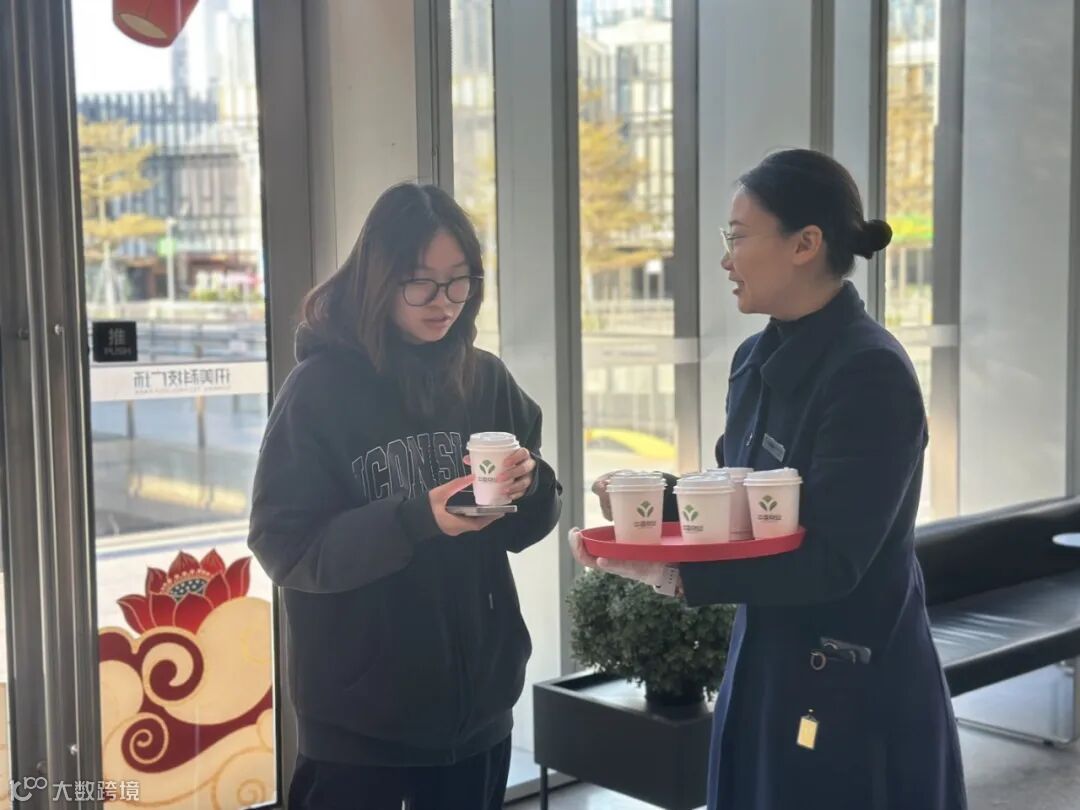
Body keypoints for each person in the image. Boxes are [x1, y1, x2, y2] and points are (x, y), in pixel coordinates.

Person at [572, 149, 967, 809]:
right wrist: (654, 500)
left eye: (738, 237)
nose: (726, 260)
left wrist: (675, 575)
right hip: (765, 664)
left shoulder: (871, 373)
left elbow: (833, 560)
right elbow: (743, 500)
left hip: (850, 682)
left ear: (805, 244)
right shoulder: (754, 359)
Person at [248, 183, 562, 809]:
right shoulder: (319, 391)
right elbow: (285, 546)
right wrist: (418, 519)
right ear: (378, 278)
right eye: (421, 283)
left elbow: (528, 522)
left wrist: (531, 487)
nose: (443, 302)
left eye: (459, 281)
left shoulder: (484, 377)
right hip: (358, 733)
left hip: (478, 715)